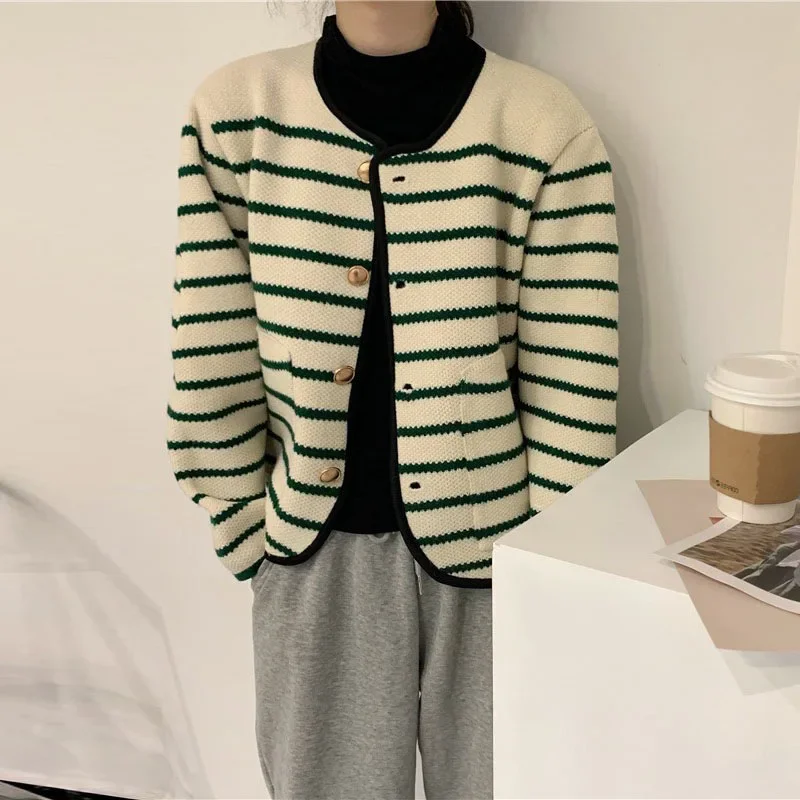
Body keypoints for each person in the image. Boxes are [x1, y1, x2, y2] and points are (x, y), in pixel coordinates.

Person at [166, 2, 619, 797]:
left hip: (497, 563)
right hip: (312, 555)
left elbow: (572, 372)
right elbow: (213, 337)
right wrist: (245, 527)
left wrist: (545, 571)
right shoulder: (238, 111)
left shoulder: (540, 122)